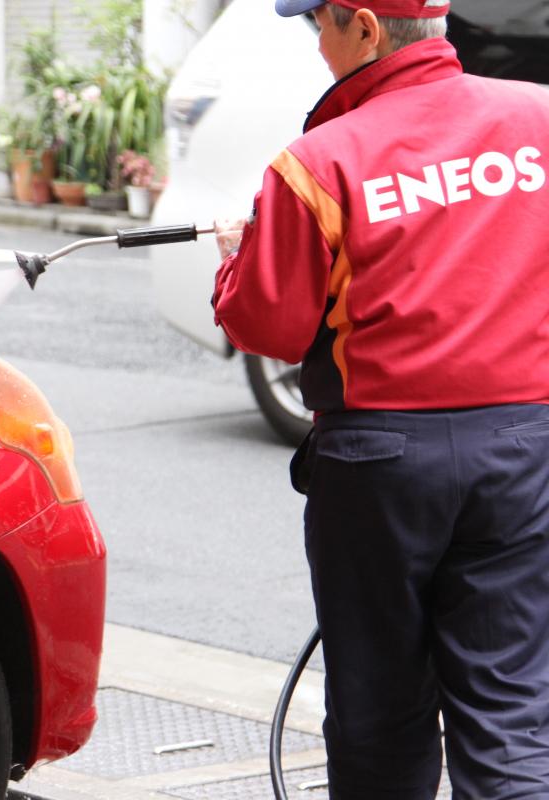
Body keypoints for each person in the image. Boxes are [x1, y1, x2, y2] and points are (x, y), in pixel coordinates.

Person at [210, 0, 549, 796]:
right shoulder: (538, 121)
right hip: (523, 451)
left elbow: (268, 324)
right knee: (511, 715)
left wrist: (239, 258)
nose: (316, 45)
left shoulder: (318, 162)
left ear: (364, 27)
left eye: (319, 25)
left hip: (380, 463)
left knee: (378, 713)